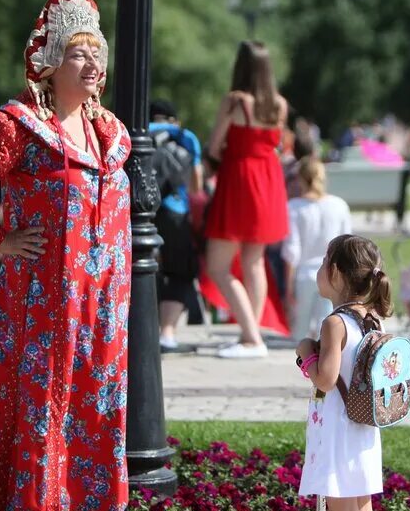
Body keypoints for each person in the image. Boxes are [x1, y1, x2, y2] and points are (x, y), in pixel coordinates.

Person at [0, 0, 131, 511]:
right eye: (79, 52)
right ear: (48, 63)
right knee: (50, 394)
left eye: (97, 52)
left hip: (103, 302)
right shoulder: (21, 126)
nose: (93, 63)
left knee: (96, 394)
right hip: (45, 299)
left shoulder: (110, 131)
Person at [295, 234, 391, 511]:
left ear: (334, 272)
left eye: (322, 264)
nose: (319, 272)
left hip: (337, 430)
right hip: (364, 427)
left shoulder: (335, 322)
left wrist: (306, 356)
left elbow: (325, 378)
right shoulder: (372, 317)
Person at [204, 41, 290, 359]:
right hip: (269, 180)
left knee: (218, 266)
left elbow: (214, 146)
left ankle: (252, 337)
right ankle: (249, 334)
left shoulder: (235, 101)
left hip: (239, 179)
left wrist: (224, 154)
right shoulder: (279, 105)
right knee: (255, 261)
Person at [148, 99, 203, 354]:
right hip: (176, 212)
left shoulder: (132, 130)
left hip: (140, 212)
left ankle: (140, 330)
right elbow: (196, 186)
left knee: (142, 270)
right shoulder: (185, 136)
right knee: (180, 271)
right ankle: (167, 333)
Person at [284, 157, 352, 340]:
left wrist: (288, 285)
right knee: (327, 329)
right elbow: (346, 245)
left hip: (304, 274)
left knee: (299, 331)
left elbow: (292, 251)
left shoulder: (293, 207)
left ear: (300, 179)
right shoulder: (339, 205)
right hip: (332, 274)